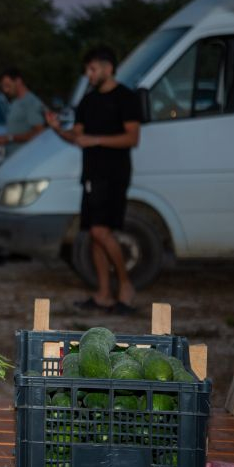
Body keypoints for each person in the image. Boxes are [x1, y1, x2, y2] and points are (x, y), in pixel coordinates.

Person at [46, 46, 141, 314]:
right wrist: (57, 129)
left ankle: (126, 286)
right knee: (94, 234)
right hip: (91, 176)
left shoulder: (126, 98)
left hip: (114, 175)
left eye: (93, 69)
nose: (89, 74)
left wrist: (97, 139)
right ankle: (103, 295)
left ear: (108, 68)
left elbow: (132, 138)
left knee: (102, 231)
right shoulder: (88, 101)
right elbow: (77, 138)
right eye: (87, 70)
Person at [0, 67, 46, 266]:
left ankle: (1, 249)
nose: (5, 89)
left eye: (7, 85)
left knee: (4, 203)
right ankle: (15, 248)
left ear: (18, 81)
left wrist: (7, 138)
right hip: (13, 160)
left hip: (24, 164)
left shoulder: (30, 103)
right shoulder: (16, 102)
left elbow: (39, 131)